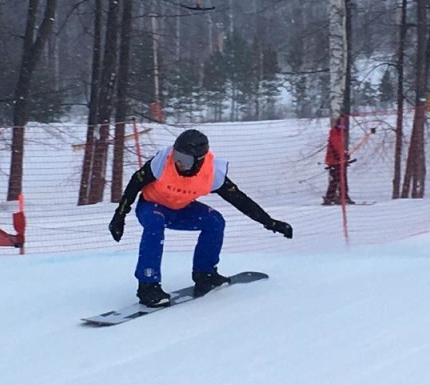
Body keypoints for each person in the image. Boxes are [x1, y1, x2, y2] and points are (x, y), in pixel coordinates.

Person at [109, 129, 293, 307]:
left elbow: (240, 200)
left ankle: (205, 275)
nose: (178, 163)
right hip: (151, 207)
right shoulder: (161, 163)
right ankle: (148, 285)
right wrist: (120, 215)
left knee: (215, 221)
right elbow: (135, 183)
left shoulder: (212, 174)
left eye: (185, 160)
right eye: (177, 156)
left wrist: (270, 222)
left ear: (199, 160)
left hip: (180, 210)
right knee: (155, 225)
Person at [322, 115, 354, 205]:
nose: (343, 128)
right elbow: (336, 147)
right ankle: (333, 197)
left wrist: (344, 155)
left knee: (340, 179)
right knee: (337, 179)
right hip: (334, 161)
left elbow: (340, 148)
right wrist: (341, 156)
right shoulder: (335, 134)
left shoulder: (339, 134)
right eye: (341, 126)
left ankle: (340, 196)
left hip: (337, 160)